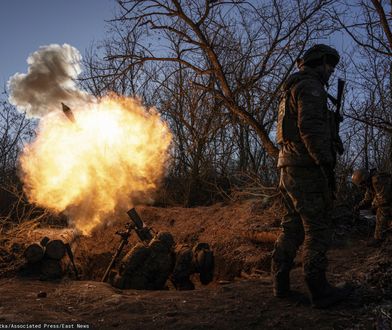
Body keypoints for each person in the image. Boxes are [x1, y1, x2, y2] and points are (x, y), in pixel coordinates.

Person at [271, 44, 350, 308]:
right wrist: (325, 162)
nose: (331, 72)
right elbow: (310, 128)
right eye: (331, 66)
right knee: (316, 228)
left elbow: (301, 127)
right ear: (322, 62)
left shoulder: (291, 89)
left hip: (287, 166)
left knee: (291, 226)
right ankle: (319, 290)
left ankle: (279, 283)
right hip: (307, 168)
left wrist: (333, 139)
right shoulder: (311, 87)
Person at [352, 168, 392, 246]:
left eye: (361, 184)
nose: (361, 186)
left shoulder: (377, 180)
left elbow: (384, 199)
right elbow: (367, 199)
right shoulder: (370, 184)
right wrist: (358, 207)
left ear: (364, 179)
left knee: (381, 209)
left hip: (388, 203)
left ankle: (378, 239)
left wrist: (373, 206)